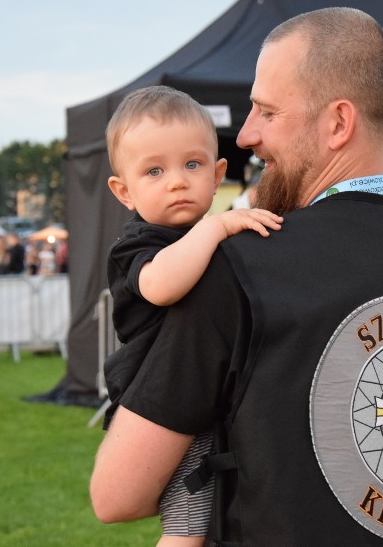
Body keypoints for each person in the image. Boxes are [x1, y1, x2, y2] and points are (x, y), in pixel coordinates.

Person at [91, 8, 383, 546]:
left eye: (266, 112)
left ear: (338, 123)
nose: (245, 135)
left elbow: (117, 494)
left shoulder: (235, 269)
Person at [100, 85, 282, 547]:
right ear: (124, 191)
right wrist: (218, 225)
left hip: (206, 393)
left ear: (218, 173)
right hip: (160, 400)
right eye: (154, 170)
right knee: (189, 522)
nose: (177, 181)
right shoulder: (137, 246)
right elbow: (161, 285)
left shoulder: (204, 238)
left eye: (193, 165)